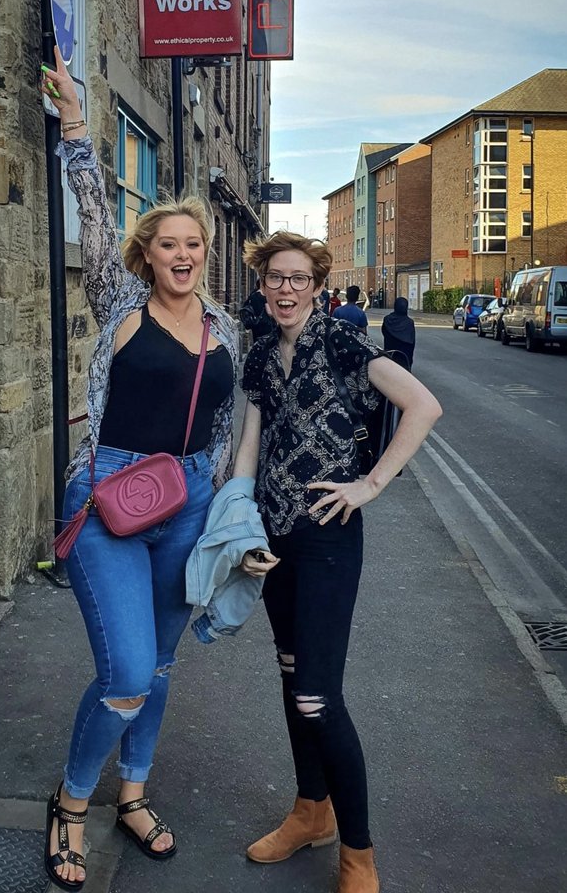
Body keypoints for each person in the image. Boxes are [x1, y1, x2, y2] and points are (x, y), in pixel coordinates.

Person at [40, 49, 238, 891]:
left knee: (159, 666)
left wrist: (234, 508)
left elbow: (235, 419)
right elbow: (89, 209)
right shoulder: (121, 307)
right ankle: (72, 803)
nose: (183, 254)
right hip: (113, 493)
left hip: (189, 499)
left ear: (205, 253)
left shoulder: (228, 325)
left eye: (195, 243)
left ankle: (134, 793)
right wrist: (78, 126)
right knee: (124, 669)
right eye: (169, 244)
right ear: (146, 255)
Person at [232, 230, 441, 893]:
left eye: (297, 278)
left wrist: (368, 486)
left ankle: (358, 853)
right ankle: (309, 811)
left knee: (319, 694)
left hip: (327, 538)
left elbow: (423, 405)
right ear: (263, 287)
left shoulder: (344, 344)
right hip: (274, 535)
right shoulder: (262, 352)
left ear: (317, 288)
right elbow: (250, 442)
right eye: (275, 278)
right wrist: (240, 522)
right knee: (292, 676)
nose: (285, 289)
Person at [381, 297, 416, 368]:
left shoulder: (387, 319)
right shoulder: (409, 322)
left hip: (390, 352)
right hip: (405, 356)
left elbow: (384, 332)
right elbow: (412, 340)